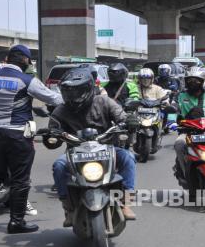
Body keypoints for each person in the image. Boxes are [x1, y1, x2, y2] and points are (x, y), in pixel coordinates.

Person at [0, 45, 63, 234]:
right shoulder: (27, 80)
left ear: (7, 58)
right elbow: (54, 99)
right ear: (26, 61)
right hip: (18, 134)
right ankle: (16, 221)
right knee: (20, 179)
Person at [44, 67, 138, 226]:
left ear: (88, 89)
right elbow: (53, 131)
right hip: (75, 153)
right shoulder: (61, 110)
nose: (72, 96)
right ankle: (67, 207)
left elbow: (121, 116)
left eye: (76, 91)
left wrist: (129, 121)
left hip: (107, 149)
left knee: (128, 157)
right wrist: (50, 136)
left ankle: (126, 202)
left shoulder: (104, 101)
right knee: (58, 166)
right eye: (68, 92)